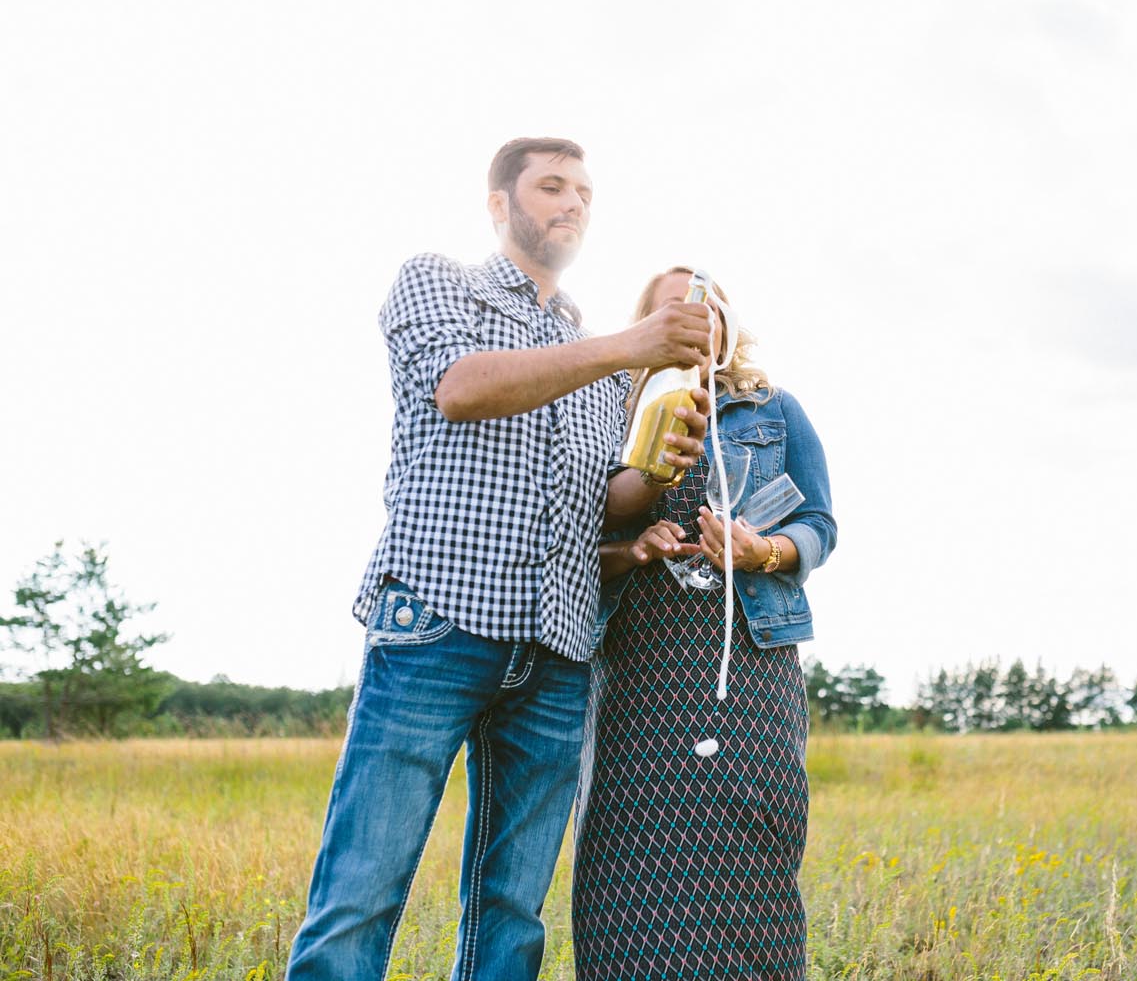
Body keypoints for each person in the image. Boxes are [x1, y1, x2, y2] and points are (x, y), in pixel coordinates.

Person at [286, 141, 716, 981]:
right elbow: (462, 388)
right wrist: (633, 347)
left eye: (585, 192)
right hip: (439, 621)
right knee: (365, 887)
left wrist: (657, 466)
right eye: (551, 186)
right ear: (498, 204)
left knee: (511, 909)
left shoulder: (595, 348)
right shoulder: (443, 281)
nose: (573, 203)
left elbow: (606, 496)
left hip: (556, 646)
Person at [571, 267, 837, 980]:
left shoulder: (773, 411)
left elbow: (819, 525)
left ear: (727, 325)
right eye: (673, 306)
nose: (693, 315)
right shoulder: (608, 410)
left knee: (751, 829)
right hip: (639, 662)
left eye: (707, 304)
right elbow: (574, 537)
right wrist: (633, 549)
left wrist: (763, 551)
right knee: (630, 847)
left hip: (747, 659)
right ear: (645, 325)